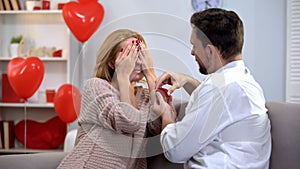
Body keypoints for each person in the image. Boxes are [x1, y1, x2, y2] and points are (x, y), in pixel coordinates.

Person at [151, 8, 272, 169]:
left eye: (194, 46)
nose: (192, 52)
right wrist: (187, 81)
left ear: (210, 50)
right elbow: (217, 106)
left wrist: (166, 116)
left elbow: (175, 150)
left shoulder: (220, 88)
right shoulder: (242, 80)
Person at [57, 29, 160, 169]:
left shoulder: (145, 97)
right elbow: (127, 123)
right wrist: (123, 77)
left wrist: (150, 73)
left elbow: (159, 126)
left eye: (141, 54)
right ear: (112, 63)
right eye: (130, 54)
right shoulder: (95, 87)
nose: (138, 62)